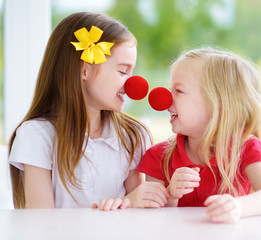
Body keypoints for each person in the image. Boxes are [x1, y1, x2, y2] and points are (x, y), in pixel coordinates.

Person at [8, 12, 168, 210]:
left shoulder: (133, 135)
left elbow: (141, 211)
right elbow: (42, 222)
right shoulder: (37, 136)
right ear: (85, 69)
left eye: (132, 72)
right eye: (122, 71)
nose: (133, 84)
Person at [137, 47, 261, 223]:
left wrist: (237, 207)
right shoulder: (158, 156)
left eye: (179, 91)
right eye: (171, 89)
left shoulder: (246, 147)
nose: (166, 98)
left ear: (217, 104)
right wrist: (171, 194)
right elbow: (151, 218)